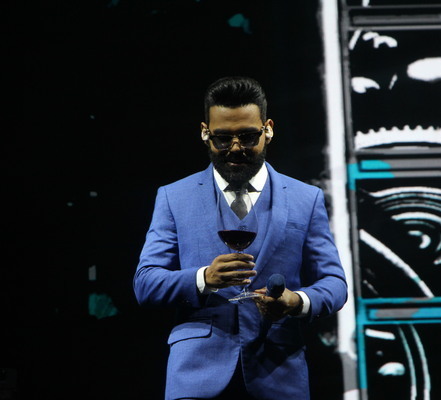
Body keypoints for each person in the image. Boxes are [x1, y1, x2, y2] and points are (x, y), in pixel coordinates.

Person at [133, 76, 348, 400]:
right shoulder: (174, 197)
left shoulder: (306, 198)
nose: (235, 149)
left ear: (268, 129)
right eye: (222, 138)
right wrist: (204, 278)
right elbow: (146, 283)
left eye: (247, 137)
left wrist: (296, 302)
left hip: (279, 374)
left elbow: (334, 283)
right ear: (205, 132)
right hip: (196, 377)